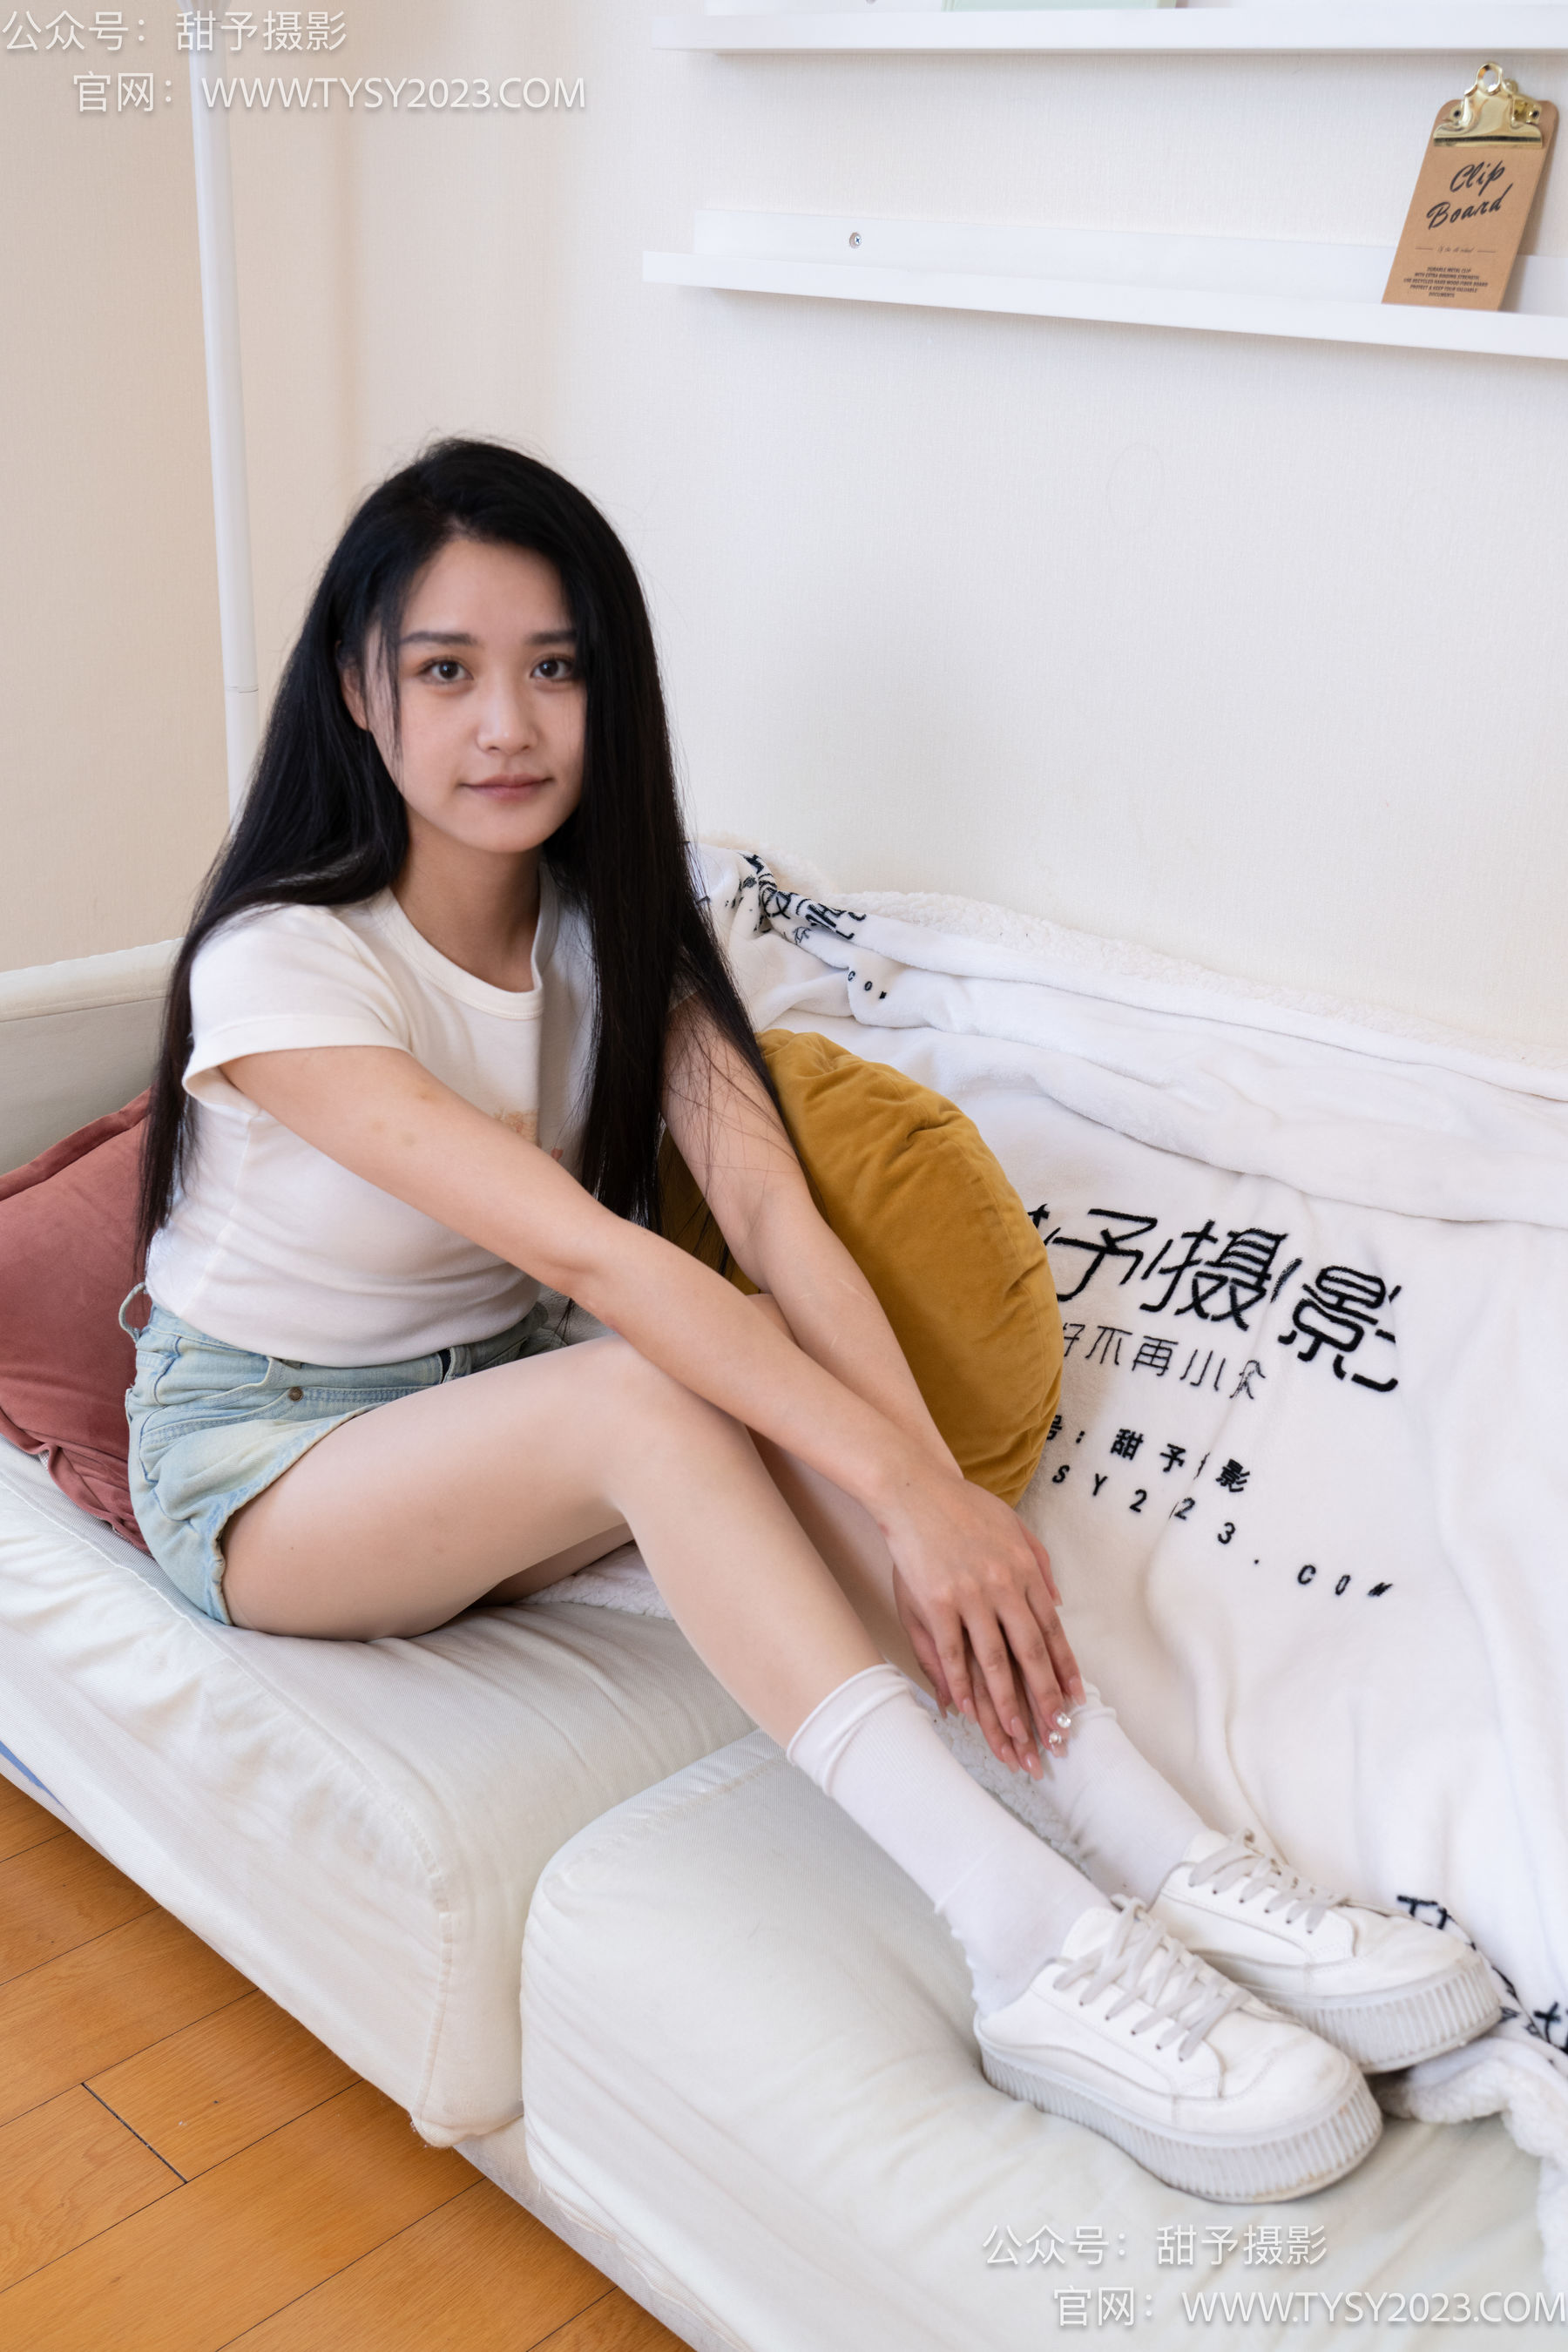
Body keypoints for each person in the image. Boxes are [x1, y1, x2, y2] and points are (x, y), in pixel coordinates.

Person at [125, 438, 1495, 2203]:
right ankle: (1027, 1946)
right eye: (447, 671)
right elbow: (607, 1262)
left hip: (497, 1405)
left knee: (759, 1358)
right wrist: (910, 1490)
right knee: (654, 1388)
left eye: (556, 667)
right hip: (268, 1461)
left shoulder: (613, 925)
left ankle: (1160, 1849)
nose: (508, 726)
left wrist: (935, 1500)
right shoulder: (286, 962)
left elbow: (774, 1214)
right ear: (355, 689)